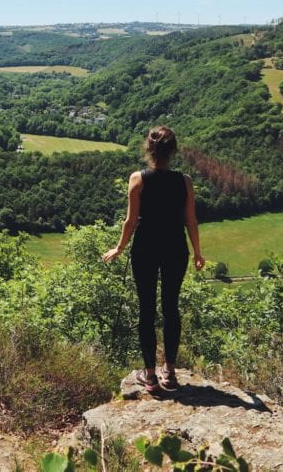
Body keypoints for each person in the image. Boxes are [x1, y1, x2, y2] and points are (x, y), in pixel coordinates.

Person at [102, 126, 205, 394]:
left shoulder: (138, 179)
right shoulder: (185, 181)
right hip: (175, 248)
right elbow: (190, 220)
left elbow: (131, 221)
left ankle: (149, 376)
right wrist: (198, 252)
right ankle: (169, 373)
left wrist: (119, 248)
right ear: (173, 151)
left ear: (148, 149)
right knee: (171, 307)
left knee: (146, 309)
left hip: (145, 248)